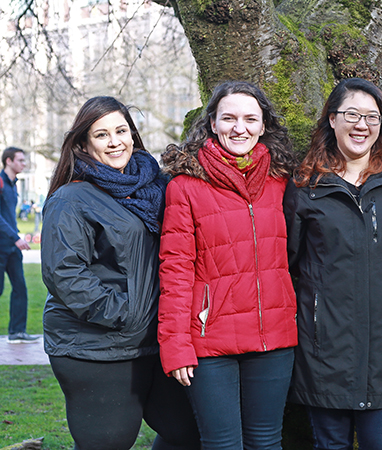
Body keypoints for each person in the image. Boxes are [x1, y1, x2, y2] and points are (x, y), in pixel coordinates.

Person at [41, 96, 200, 450]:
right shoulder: (71, 200)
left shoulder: (154, 187)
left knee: (189, 432)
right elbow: (65, 274)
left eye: (121, 130)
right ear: (83, 143)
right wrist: (126, 315)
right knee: (109, 443)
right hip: (96, 345)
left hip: (155, 341)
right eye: (101, 135)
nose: (115, 142)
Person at [157, 80, 299, 450]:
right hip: (209, 340)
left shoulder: (281, 180)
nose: (240, 128)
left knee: (266, 442)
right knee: (222, 445)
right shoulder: (185, 186)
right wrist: (175, 345)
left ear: (263, 125)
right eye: (229, 118)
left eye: (251, 119)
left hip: (274, 337)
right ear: (213, 124)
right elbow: (175, 270)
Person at [284, 77, 382, 450]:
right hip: (324, 352)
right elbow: (288, 264)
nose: (362, 125)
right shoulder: (306, 187)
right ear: (332, 119)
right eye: (352, 114)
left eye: (371, 117)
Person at [1, 147, 35, 343]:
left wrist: (15, 238)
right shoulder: (0, 183)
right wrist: (15, 236)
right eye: (20, 160)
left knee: (20, 288)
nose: (24, 164)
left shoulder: (14, 185)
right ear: (8, 161)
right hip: (2, 245)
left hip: (13, 248)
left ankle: (17, 332)